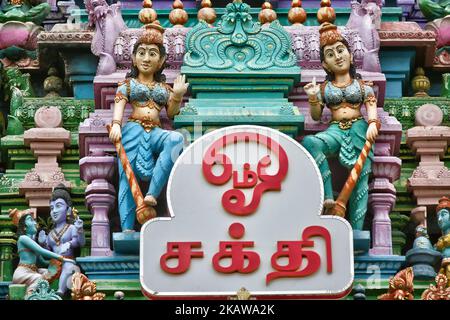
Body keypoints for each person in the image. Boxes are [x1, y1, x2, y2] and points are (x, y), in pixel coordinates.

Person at [108, 22, 188, 231]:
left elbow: (171, 113)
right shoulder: (127, 85)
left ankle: (152, 193)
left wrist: (177, 95)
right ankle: (126, 227)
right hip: (133, 130)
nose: (146, 58)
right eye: (141, 53)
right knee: (127, 176)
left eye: (153, 54)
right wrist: (117, 124)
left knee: (176, 139)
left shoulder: (163, 88)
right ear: (134, 57)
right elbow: (119, 103)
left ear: (161, 61)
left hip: (156, 131)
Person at [302, 22, 380, 230]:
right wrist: (312, 98)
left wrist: (372, 124)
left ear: (350, 55)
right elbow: (317, 117)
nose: (337, 56)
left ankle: (355, 230)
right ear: (325, 65)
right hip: (335, 129)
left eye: (340, 50)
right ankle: (328, 196)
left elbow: (371, 105)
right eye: (330, 54)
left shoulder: (362, 86)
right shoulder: (324, 87)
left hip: (359, 128)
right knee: (311, 142)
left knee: (360, 181)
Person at [9, 208, 75, 298]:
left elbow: (42, 261)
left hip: (32, 271)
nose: (34, 223)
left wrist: (57, 263)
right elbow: (41, 251)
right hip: (23, 273)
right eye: (30, 220)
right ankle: (30, 295)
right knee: (41, 279)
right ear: (24, 226)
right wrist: (61, 258)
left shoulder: (32, 242)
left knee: (48, 272)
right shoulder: (23, 238)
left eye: (34, 220)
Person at [38, 184, 84, 296]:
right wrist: (42, 242)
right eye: (52, 208)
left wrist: (74, 238)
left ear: (68, 210)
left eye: (58, 206)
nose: (54, 211)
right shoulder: (51, 234)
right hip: (53, 264)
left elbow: (80, 242)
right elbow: (47, 251)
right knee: (38, 272)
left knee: (68, 269)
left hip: (68, 261)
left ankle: (60, 292)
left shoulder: (71, 228)